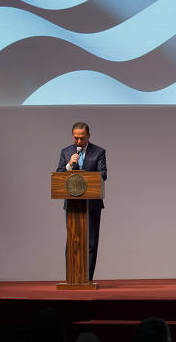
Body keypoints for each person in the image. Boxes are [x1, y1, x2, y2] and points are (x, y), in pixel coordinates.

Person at [56, 121, 107, 282]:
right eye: (75, 138)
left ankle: (87, 278)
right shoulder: (66, 152)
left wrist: (87, 179)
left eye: (81, 138)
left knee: (91, 242)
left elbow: (102, 174)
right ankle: (71, 278)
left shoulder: (98, 152)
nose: (78, 141)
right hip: (73, 204)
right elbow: (59, 174)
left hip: (91, 204)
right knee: (72, 241)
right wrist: (69, 165)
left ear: (88, 136)